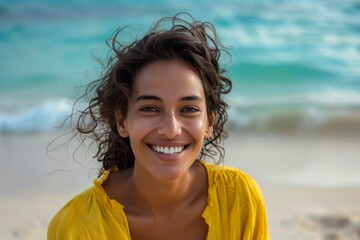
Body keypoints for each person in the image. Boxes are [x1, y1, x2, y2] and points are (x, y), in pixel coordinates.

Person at [47, 13, 270, 239]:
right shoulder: (78, 226)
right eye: (150, 108)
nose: (171, 129)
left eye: (189, 109)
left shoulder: (238, 198)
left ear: (209, 123)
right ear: (122, 121)